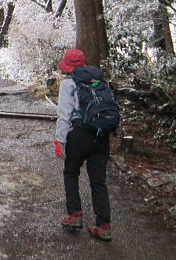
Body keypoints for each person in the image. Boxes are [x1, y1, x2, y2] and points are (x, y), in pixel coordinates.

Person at [54, 48, 112, 241]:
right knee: (98, 181)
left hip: (79, 135)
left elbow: (64, 115)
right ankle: (103, 225)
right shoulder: (99, 80)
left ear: (68, 67)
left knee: (71, 172)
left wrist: (59, 140)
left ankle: (75, 215)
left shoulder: (68, 84)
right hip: (101, 134)